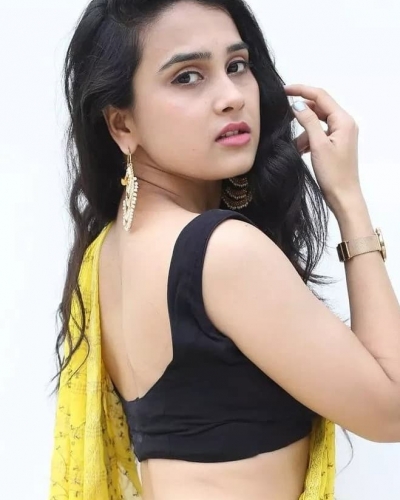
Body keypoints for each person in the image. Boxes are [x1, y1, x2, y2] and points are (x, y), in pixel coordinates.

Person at [49, 0, 400, 499]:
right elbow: (392, 411)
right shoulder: (222, 251)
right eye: (187, 77)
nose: (232, 97)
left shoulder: (106, 252)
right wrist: (348, 199)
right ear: (122, 125)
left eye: (237, 65)